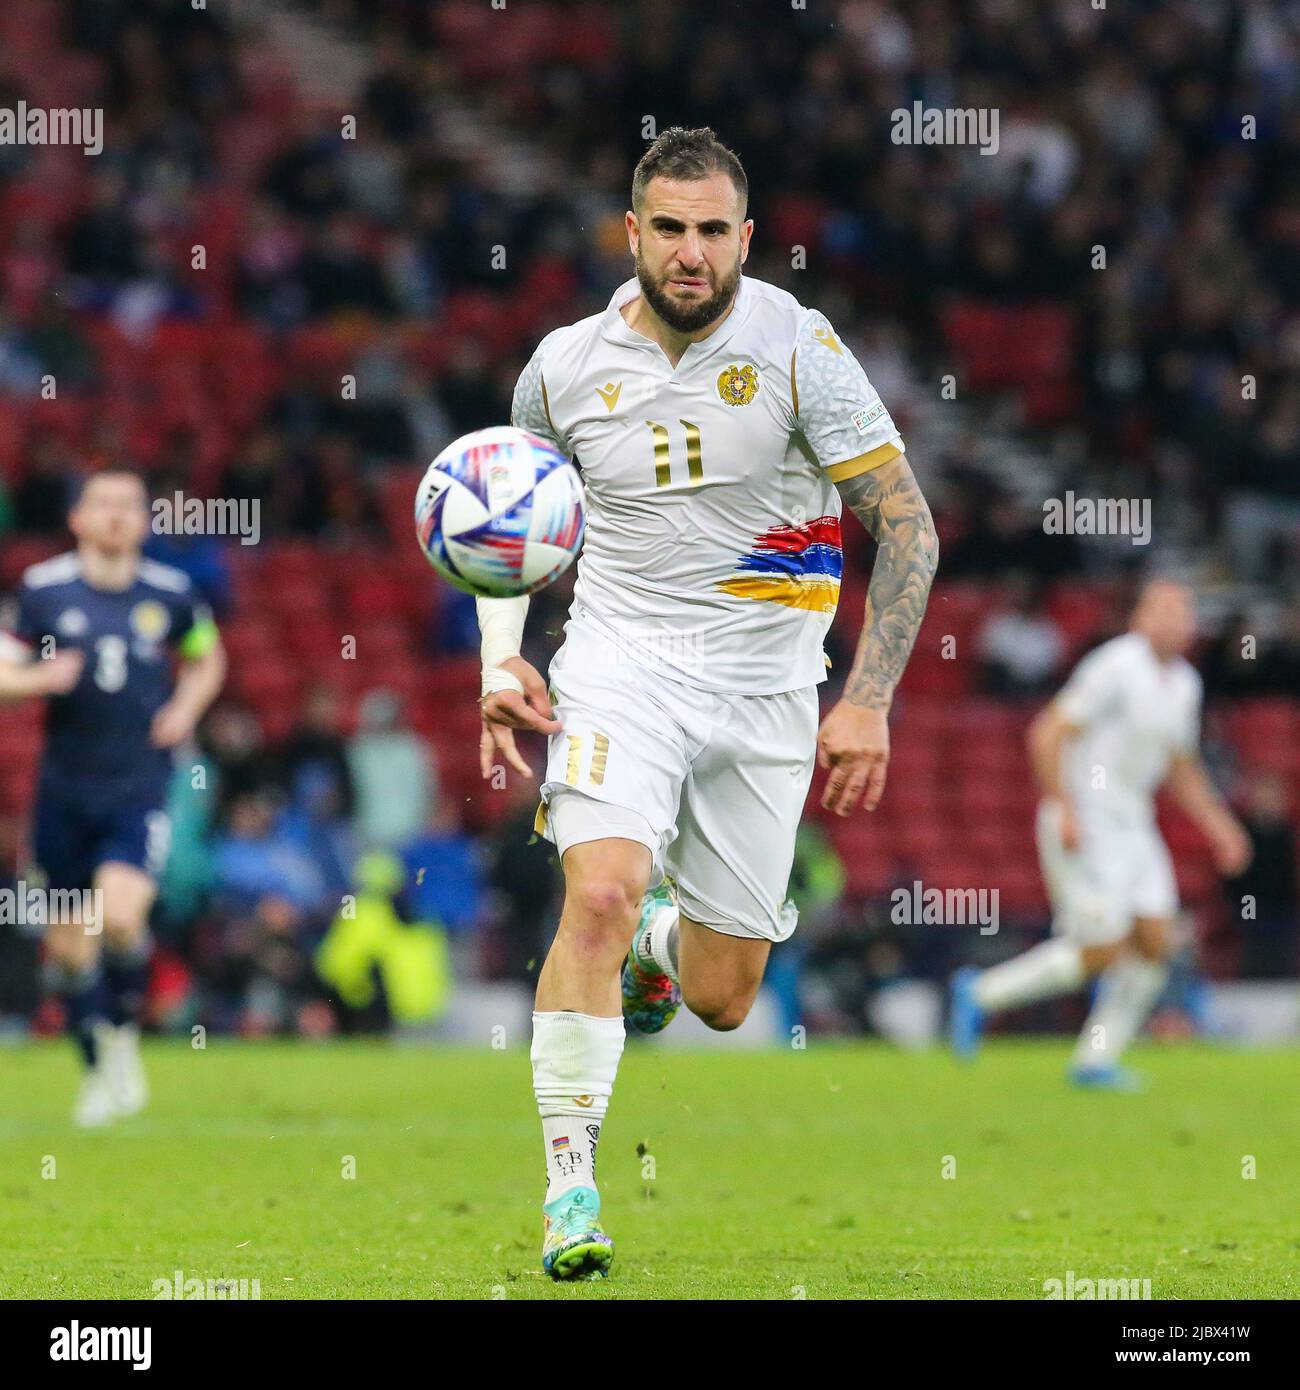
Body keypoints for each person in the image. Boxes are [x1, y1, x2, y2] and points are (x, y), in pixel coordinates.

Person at [476, 127, 937, 1279]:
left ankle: (659, 949)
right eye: (668, 229)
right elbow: (502, 531)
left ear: (746, 235)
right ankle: (569, 1187)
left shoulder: (798, 347)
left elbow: (908, 525)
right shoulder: (562, 367)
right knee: (599, 887)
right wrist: (500, 659)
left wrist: (868, 698)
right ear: (632, 233)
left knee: (725, 997)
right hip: (619, 667)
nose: (691, 253)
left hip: (769, 684)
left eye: (712, 231)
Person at [950, 580, 1252, 1089]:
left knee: (1155, 943)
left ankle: (1095, 1058)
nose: (1175, 622)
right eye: (1163, 610)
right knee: (1104, 948)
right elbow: (1046, 732)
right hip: (1087, 818)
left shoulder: (1184, 684)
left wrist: (1221, 828)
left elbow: (1181, 766)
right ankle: (980, 993)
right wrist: (1062, 806)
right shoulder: (1116, 666)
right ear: (1139, 618)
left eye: (1183, 612)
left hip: (1134, 822)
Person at [0, 469, 226, 1125]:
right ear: (77, 518)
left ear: (146, 520)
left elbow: (208, 657)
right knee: (70, 951)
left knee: (122, 919)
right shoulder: (44, 591)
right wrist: (41, 678)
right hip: (64, 790)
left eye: (129, 505)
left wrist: (185, 706)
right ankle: (103, 1065)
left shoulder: (172, 594)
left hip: (139, 784)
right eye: (103, 503)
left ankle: (123, 1036)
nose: (117, 515)